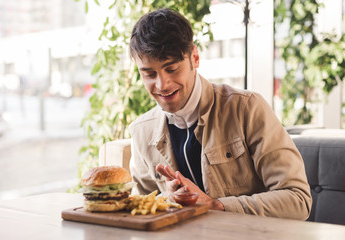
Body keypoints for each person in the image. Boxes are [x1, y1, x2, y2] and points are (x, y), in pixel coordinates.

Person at [128, 8, 312, 220]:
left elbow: (298, 201)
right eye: (149, 74)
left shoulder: (247, 108)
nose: (162, 85)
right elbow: (140, 215)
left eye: (172, 69)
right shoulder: (141, 132)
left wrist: (214, 205)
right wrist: (165, 200)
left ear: (194, 58)